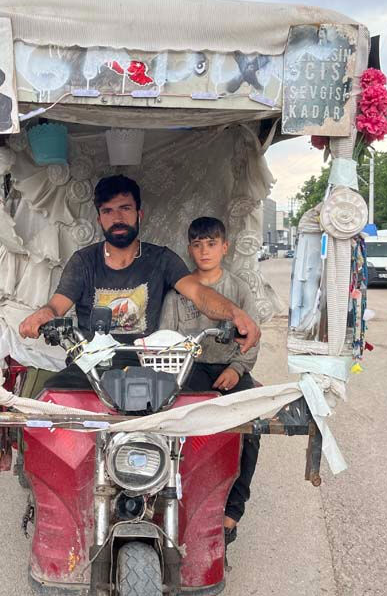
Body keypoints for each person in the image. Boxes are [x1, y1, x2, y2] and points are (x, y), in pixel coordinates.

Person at [18, 175, 261, 389]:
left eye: (125, 208)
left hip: (150, 367)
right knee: (53, 399)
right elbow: (56, 306)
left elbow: (199, 293)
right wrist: (42, 315)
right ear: (99, 219)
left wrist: (234, 313)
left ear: (139, 214)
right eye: (108, 211)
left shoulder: (162, 259)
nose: (118, 218)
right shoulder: (83, 262)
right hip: (92, 367)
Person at [158, 216, 261, 546]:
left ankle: (232, 510)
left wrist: (237, 369)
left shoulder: (239, 290)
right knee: (173, 423)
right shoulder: (179, 291)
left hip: (230, 367)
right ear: (190, 249)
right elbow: (166, 340)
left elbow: (252, 338)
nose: (205, 251)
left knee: (250, 426)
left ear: (225, 247)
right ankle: (174, 496)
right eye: (198, 245)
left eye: (212, 244)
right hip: (189, 370)